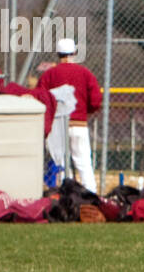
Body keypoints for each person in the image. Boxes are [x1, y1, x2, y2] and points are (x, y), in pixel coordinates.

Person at [36, 37, 101, 191]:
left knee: (62, 165)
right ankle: (91, 195)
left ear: (58, 54)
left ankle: (68, 196)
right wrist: (86, 112)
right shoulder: (85, 73)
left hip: (57, 127)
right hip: (79, 124)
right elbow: (96, 100)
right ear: (75, 53)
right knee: (84, 162)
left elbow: (40, 97)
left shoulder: (49, 75)